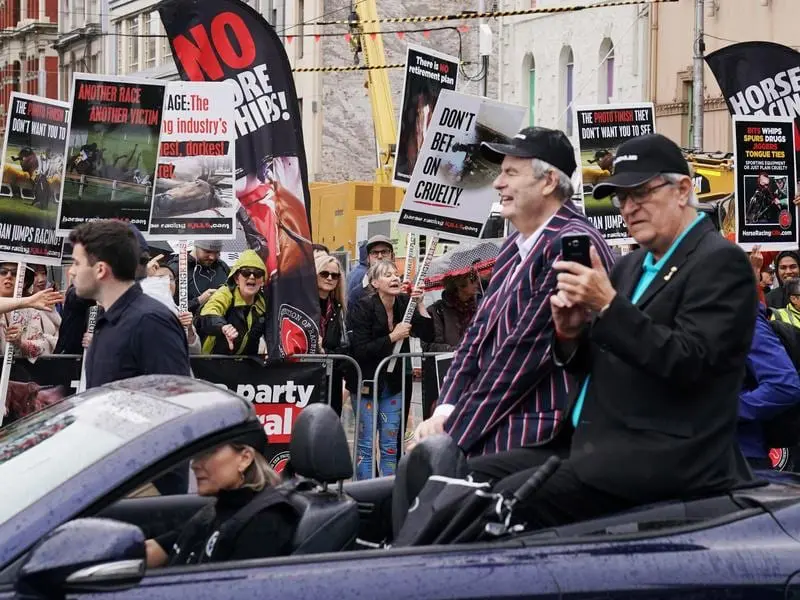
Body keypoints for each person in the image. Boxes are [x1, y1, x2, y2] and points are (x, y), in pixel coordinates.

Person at [488, 133, 757, 528]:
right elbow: (602, 361)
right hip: (587, 446)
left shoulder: (720, 262)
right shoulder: (630, 266)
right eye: (621, 198)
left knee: (495, 507)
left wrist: (609, 307)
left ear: (682, 189)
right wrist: (570, 334)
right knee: (459, 479)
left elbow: (690, 362)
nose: (629, 208)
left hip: (659, 460)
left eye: (641, 193)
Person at [411, 126, 614, 474]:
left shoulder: (571, 244)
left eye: (510, 173)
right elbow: (477, 339)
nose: (497, 184)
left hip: (535, 441)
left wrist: (452, 435)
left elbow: (523, 356)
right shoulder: (514, 245)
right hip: (493, 432)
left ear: (549, 182)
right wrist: (443, 410)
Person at [69, 220, 191, 494]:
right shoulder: (108, 319)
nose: (72, 271)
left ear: (101, 269)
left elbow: (176, 409)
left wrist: (160, 504)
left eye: (77, 263)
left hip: (145, 488)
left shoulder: (150, 321)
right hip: (111, 478)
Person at [145, 423, 298, 567]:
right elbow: (158, 549)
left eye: (208, 453)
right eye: (196, 455)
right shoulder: (217, 510)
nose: (194, 464)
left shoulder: (265, 520)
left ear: (245, 458)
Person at [348, 260, 434, 480]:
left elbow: (427, 335)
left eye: (396, 274)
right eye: (387, 275)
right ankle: (365, 493)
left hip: (394, 385)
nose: (395, 278)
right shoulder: (363, 306)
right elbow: (360, 349)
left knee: (390, 444)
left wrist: (420, 304)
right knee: (366, 444)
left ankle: (388, 493)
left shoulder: (405, 303)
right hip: (368, 382)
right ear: (375, 282)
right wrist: (392, 337)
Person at [196, 250, 267, 355]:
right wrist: (223, 327)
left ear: (262, 280)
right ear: (236, 278)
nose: (252, 277)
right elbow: (208, 314)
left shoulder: (263, 304)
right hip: (212, 361)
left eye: (257, 273)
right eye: (246, 272)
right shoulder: (225, 293)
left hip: (245, 365)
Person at [316, 253, 350, 416]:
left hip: (332, 379)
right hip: (307, 378)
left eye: (335, 275)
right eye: (324, 273)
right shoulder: (302, 305)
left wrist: (326, 352)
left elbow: (345, 347)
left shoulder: (339, 308)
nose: (329, 278)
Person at [167, 240, 230, 315]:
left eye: (216, 252)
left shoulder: (222, 266)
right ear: (196, 247)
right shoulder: (177, 269)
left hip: (218, 323)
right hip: (188, 324)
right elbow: (167, 308)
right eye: (207, 251)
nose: (212, 257)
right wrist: (199, 301)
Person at [346, 235, 395, 307]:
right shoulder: (356, 294)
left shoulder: (401, 289)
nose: (380, 256)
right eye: (374, 252)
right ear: (368, 259)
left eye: (384, 252)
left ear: (392, 256)